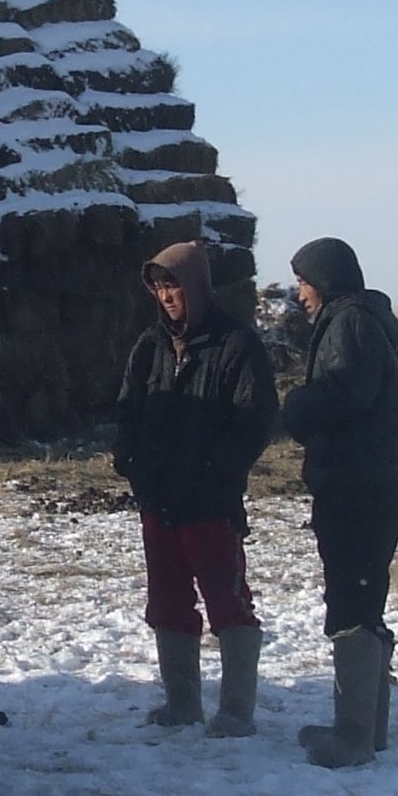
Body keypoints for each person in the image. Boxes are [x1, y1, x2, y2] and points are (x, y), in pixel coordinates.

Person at [111, 238, 280, 734]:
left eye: (174, 286)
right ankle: (182, 704)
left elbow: (255, 419)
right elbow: (128, 406)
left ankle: (236, 711)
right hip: (158, 499)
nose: (166, 297)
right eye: (159, 288)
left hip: (209, 501)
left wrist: (217, 471)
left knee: (227, 600)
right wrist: (130, 459)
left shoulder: (236, 345)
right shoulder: (151, 345)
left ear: (197, 287)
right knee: (166, 600)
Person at [279, 236, 398, 769]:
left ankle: (353, 738)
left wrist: (294, 407)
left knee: (352, 599)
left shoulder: (348, 324)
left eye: (305, 282)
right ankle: (366, 729)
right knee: (364, 595)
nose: (300, 294)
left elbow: (343, 395)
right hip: (369, 482)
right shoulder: (362, 319)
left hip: (355, 485)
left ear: (326, 281)